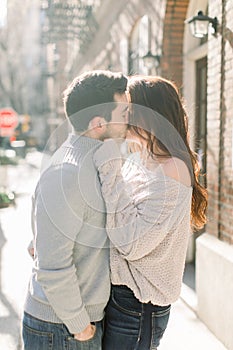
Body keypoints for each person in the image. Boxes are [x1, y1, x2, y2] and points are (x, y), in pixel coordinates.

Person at [93, 75, 208, 349]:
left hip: (139, 305)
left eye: (128, 110)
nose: (122, 117)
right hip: (121, 296)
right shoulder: (139, 158)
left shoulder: (173, 170)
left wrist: (109, 166)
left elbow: (133, 243)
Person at [22, 70, 128, 350]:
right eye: (124, 111)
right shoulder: (67, 174)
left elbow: (40, 241)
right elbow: (52, 264)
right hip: (62, 328)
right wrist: (80, 325)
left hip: (74, 323)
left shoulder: (92, 163)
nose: (130, 118)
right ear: (98, 123)